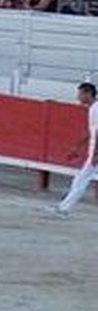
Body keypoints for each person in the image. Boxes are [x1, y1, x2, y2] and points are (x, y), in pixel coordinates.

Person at [52, 82, 98, 217]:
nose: (78, 97)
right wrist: (77, 146)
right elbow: (91, 132)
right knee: (80, 180)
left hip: (95, 152)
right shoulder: (93, 109)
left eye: (80, 94)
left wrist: (95, 153)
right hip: (93, 151)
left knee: (80, 180)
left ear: (88, 94)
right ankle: (64, 208)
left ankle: (64, 209)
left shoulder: (96, 109)